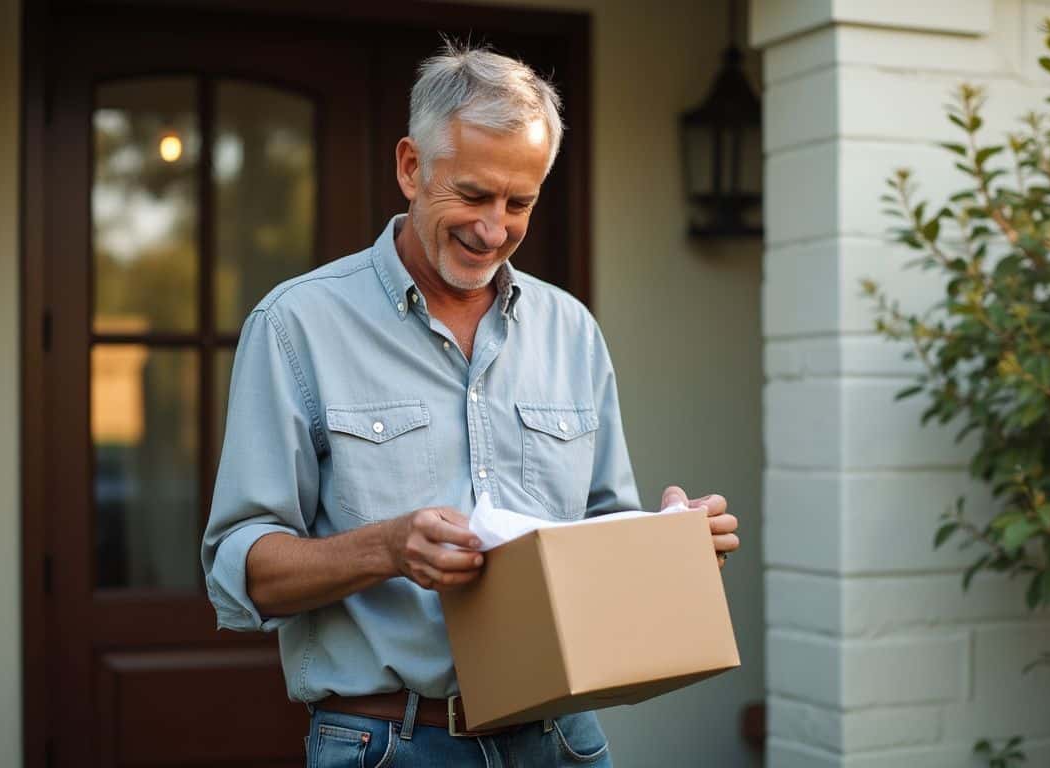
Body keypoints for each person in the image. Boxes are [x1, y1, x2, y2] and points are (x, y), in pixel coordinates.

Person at [200, 41, 740, 768]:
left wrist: (670, 543)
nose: (494, 229)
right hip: (391, 744)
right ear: (411, 167)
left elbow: (598, 535)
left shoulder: (571, 330)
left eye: (520, 203)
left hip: (564, 742)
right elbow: (239, 571)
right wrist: (386, 548)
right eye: (474, 195)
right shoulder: (296, 326)